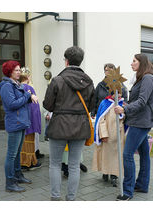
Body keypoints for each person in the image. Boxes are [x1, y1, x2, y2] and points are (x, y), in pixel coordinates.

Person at [43, 46, 95, 201]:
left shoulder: (57, 80)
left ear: (66, 61)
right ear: (80, 61)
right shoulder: (89, 81)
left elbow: (48, 105)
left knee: (55, 164)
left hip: (59, 126)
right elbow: (91, 106)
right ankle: (71, 199)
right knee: (74, 166)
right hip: (80, 127)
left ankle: (55, 197)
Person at [114, 54, 153, 201]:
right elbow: (139, 100)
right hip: (141, 120)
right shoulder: (144, 78)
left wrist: (124, 110)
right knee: (144, 154)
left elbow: (142, 101)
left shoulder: (147, 78)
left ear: (142, 63)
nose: (131, 63)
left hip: (140, 123)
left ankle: (127, 191)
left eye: (134, 61)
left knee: (127, 154)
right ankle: (141, 185)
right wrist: (127, 104)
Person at [0, 60, 38, 192]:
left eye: (19, 70)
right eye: (16, 70)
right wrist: (27, 94)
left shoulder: (16, 84)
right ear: (9, 72)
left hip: (21, 122)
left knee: (17, 154)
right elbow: (12, 104)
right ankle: (9, 183)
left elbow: (22, 100)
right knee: (11, 154)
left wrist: (29, 95)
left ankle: (18, 175)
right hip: (14, 123)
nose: (19, 72)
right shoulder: (6, 86)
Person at [92, 92, 125, 187]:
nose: (119, 96)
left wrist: (122, 113)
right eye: (117, 94)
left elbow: (125, 118)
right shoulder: (105, 103)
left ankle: (114, 175)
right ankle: (105, 172)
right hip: (108, 135)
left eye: (120, 94)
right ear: (112, 94)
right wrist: (103, 134)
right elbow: (101, 120)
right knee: (106, 155)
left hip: (119, 135)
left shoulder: (122, 104)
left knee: (117, 156)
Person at [18, 67, 42, 171]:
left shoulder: (17, 87)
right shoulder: (29, 88)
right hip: (29, 120)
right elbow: (34, 107)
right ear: (28, 77)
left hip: (19, 121)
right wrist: (36, 122)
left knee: (21, 142)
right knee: (29, 142)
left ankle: (21, 161)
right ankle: (29, 162)